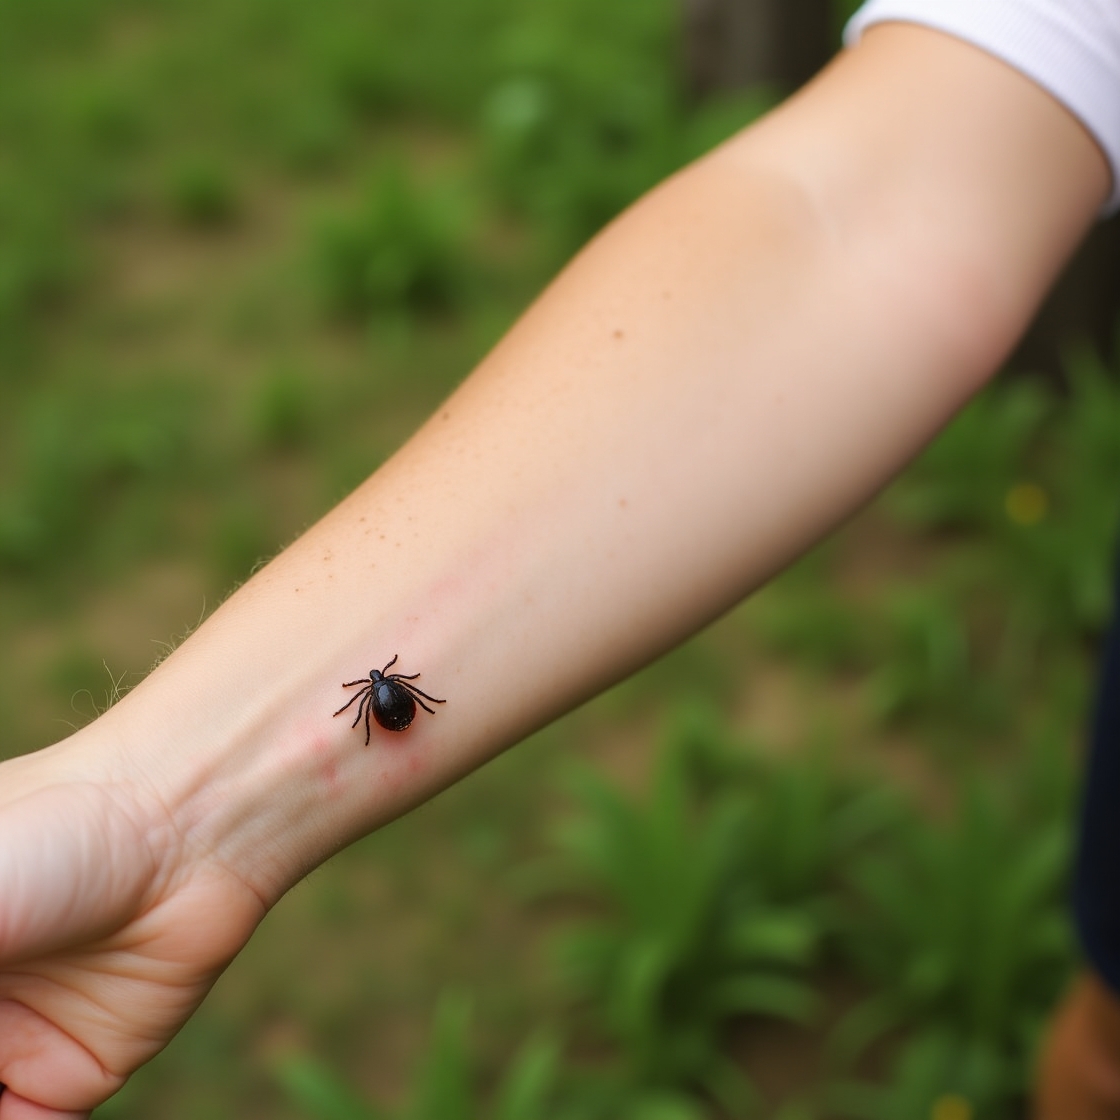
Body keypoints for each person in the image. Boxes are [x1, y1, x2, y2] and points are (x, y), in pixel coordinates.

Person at [1, 3, 1118, 1117]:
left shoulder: (381, 698)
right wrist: (163, 813)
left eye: (386, 692)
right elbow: (870, 212)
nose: (388, 695)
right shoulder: (390, 695)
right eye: (387, 692)